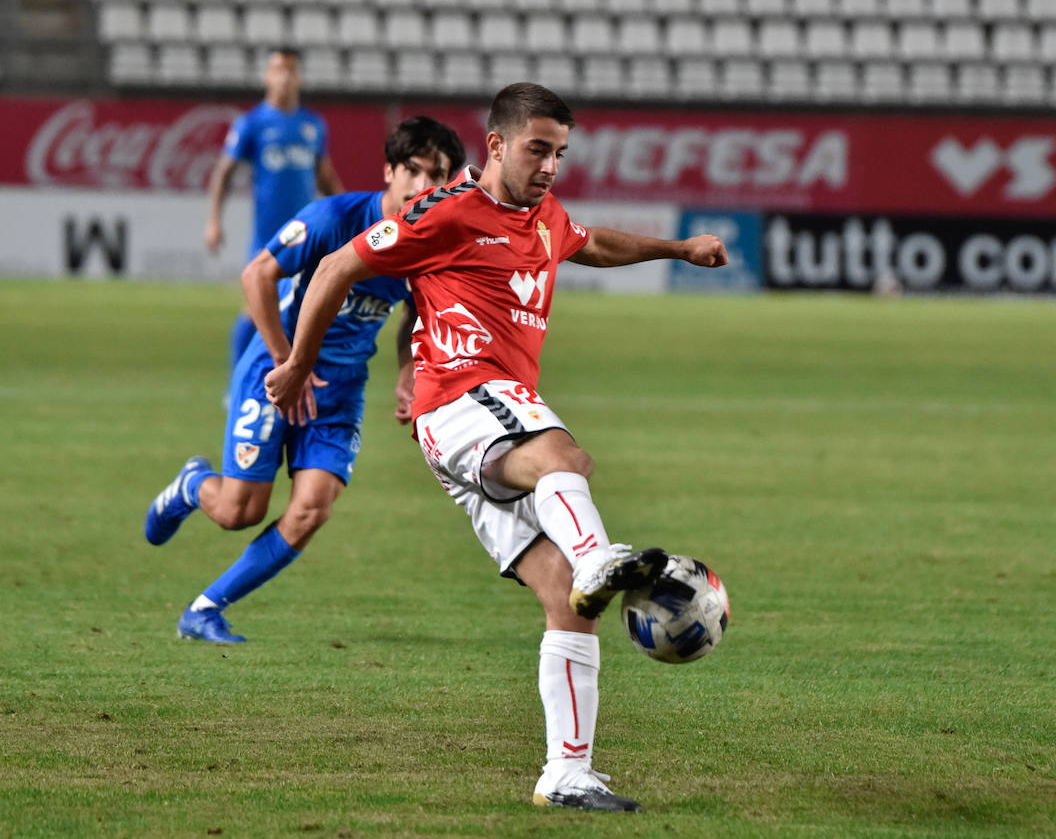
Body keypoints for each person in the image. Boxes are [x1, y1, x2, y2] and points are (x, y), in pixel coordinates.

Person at [262, 84, 727, 812]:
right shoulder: (446, 213)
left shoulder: (543, 216)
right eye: (539, 149)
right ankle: (598, 553)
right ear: (498, 146)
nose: (550, 166)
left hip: (488, 413)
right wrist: (294, 366)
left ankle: (566, 773)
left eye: (561, 153)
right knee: (563, 459)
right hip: (459, 401)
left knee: (568, 601)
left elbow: (590, 242)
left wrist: (678, 248)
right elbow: (335, 268)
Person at [146, 116, 466, 643]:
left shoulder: (428, 244)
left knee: (312, 508)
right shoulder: (332, 218)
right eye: (412, 170)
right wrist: (284, 363)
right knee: (236, 512)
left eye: (438, 176)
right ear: (389, 170)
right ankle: (191, 485)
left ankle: (204, 610)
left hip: (340, 389)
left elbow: (414, 316)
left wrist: (409, 373)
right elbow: (257, 275)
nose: (422, 187)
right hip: (273, 373)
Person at [204, 47, 347, 375]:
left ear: (299, 77)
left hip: (306, 235)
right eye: (278, 69)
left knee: (305, 312)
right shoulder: (252, 123)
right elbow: (223, 174)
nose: (285, 76)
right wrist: (214, 221)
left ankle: (295, 380)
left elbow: (325, 177)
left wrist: (349, 216)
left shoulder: (312, 125)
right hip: (267, 235)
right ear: (267, 76)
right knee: (255, 310)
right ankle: (236, 383)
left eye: (291, 70)